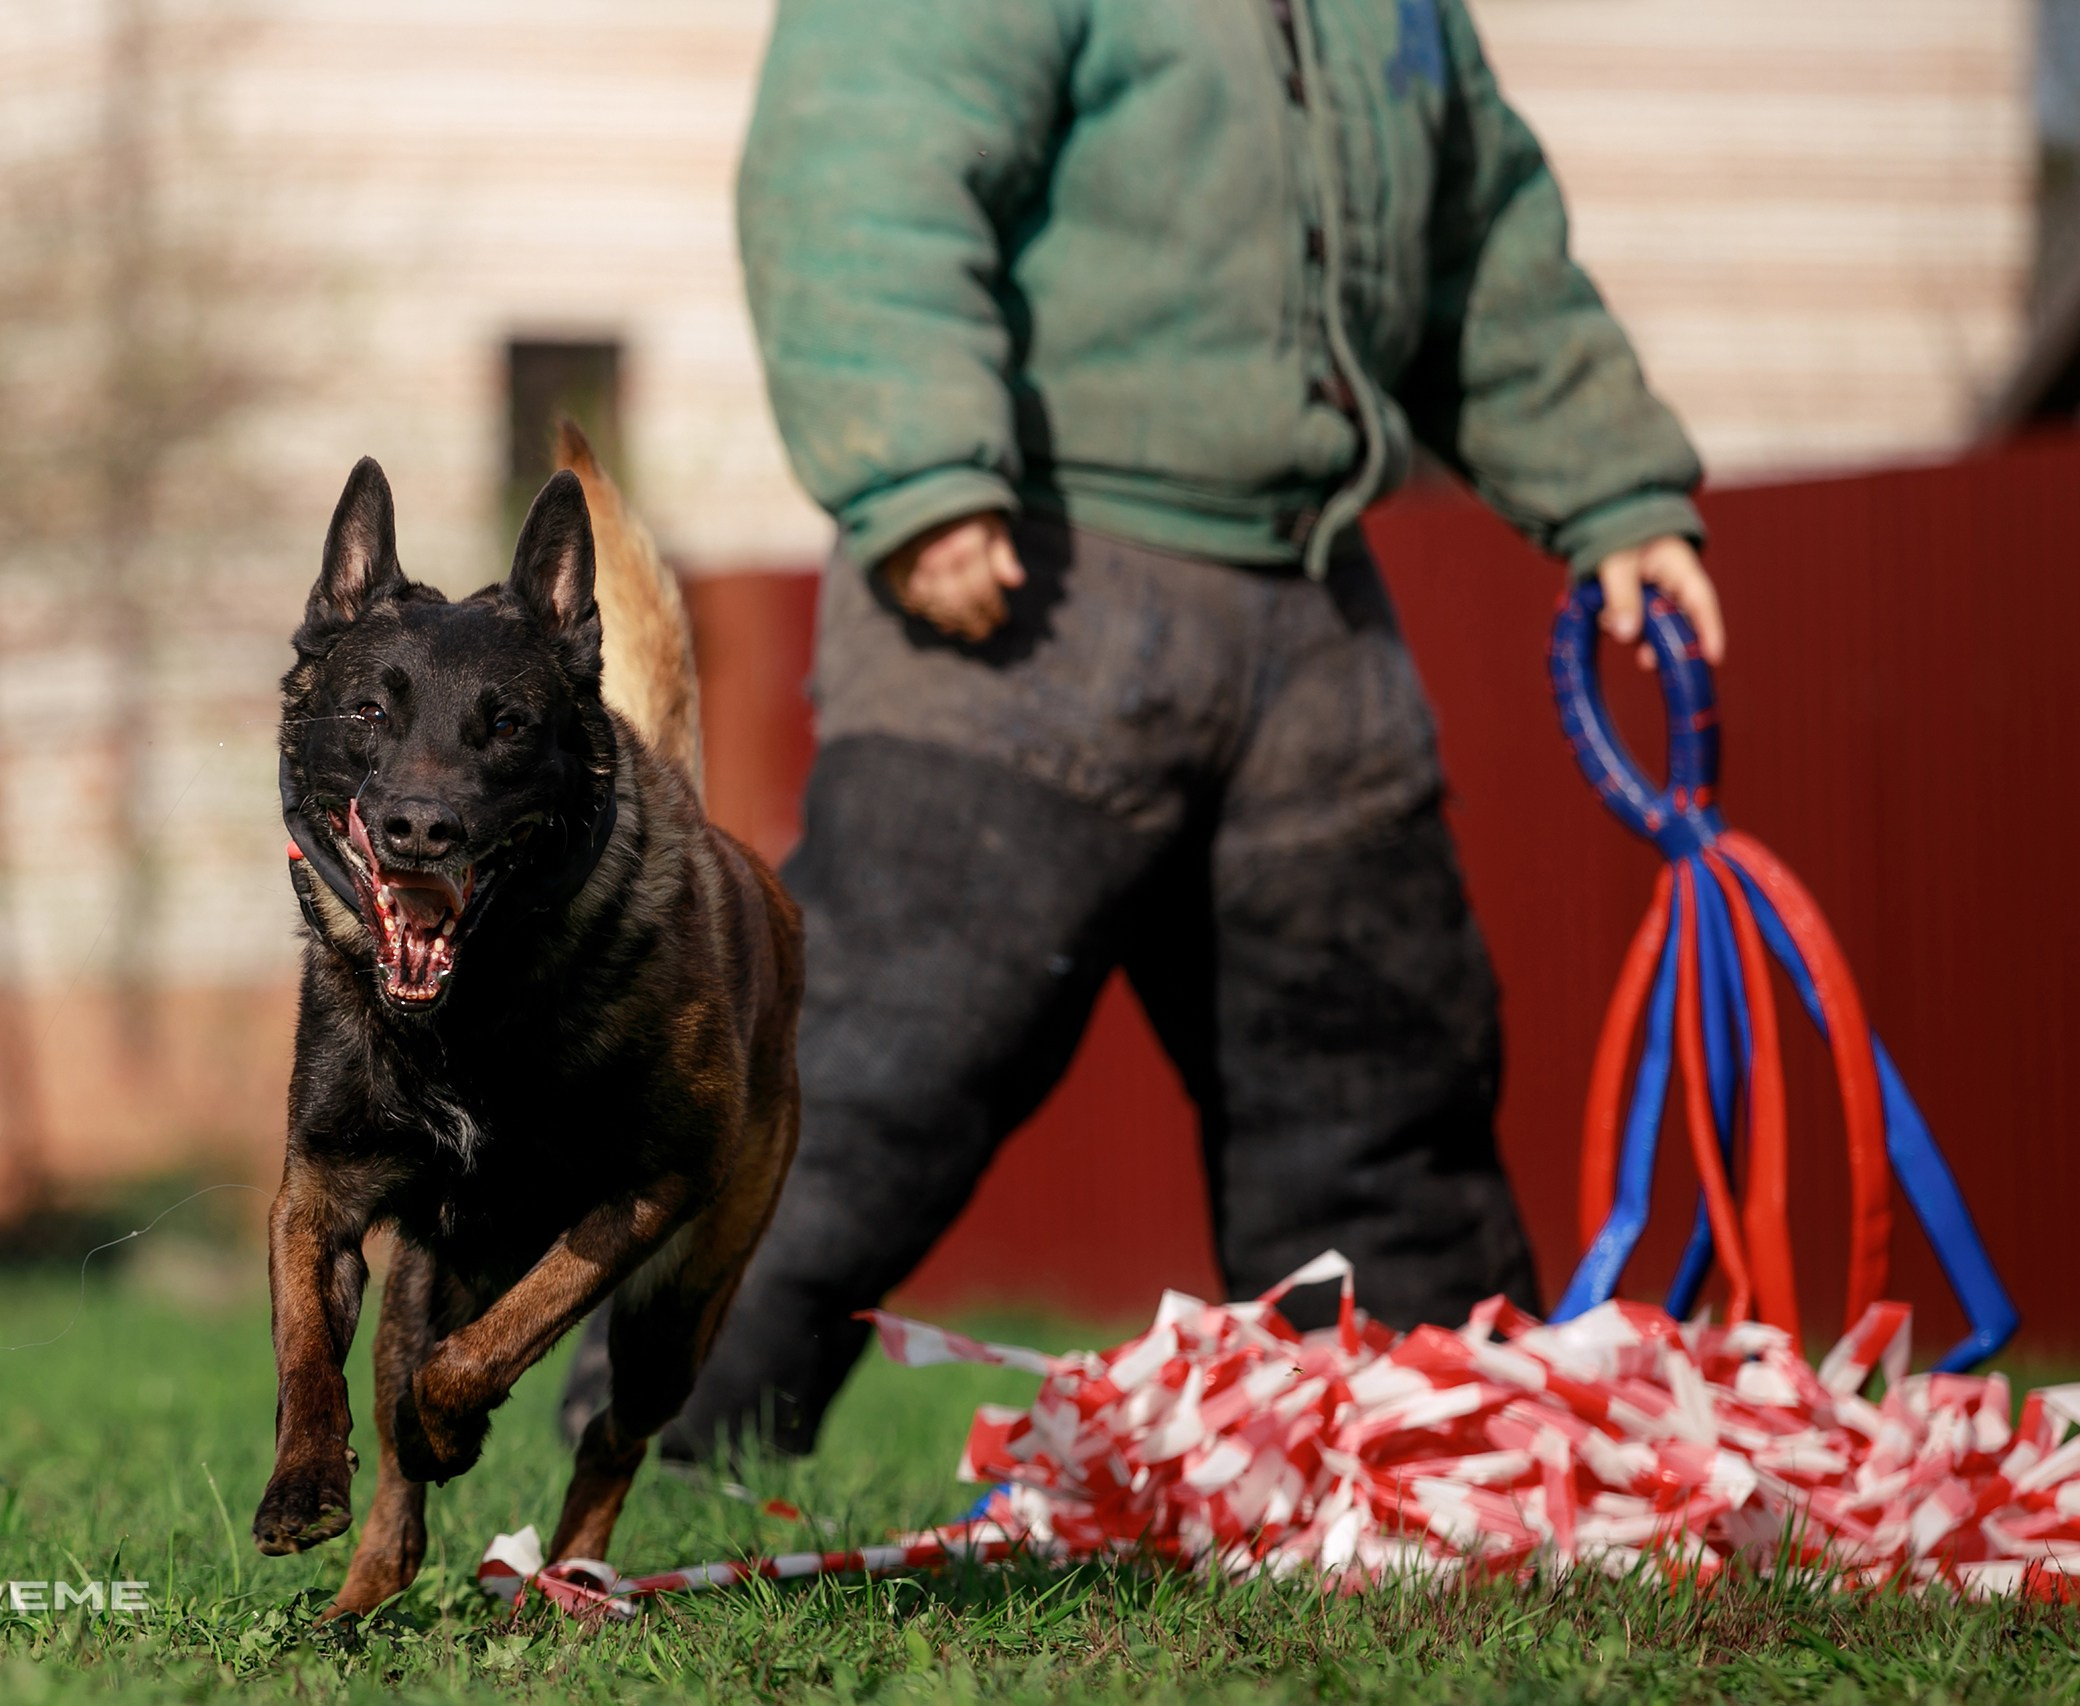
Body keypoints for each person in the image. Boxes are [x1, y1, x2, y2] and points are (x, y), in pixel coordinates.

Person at [621, 0, 1726, 1461]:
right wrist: (923, 470)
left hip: (1311, 613)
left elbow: (1486, 245)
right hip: (1018, 592)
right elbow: (858, 155)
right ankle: (648, 1450)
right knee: (866, 1086)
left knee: (1388, 1096)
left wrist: (1614, 491)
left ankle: (1436, 1476)